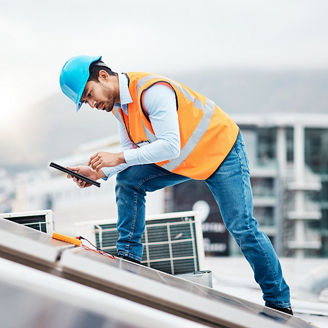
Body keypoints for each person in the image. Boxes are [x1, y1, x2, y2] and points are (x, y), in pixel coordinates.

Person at [59, 55, 293, 315]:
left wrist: (118, 158)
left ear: (103, 76)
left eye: (90, 95)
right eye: (86, 102)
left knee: (243, 228)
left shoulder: (152, 91)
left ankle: (279, 302)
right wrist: (97, 173)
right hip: (184, 160)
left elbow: (169, 145)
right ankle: (128, 259)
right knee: (128, 181)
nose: (93, 104)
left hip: (222, 152)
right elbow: (129, 154)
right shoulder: (119, 108)